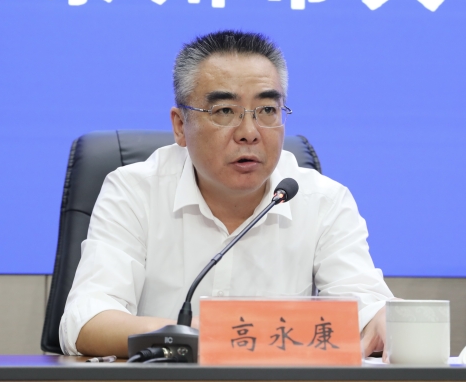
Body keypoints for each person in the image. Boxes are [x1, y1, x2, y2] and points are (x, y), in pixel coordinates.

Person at [59, 30, 394, 359]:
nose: (249, 133)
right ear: (180, 126)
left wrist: (383, 321)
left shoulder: (322, 200)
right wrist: (197, 336)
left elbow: (367, 307)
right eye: (224, 111)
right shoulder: (134, 191)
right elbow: (85, 322)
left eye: (267, 110)